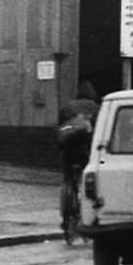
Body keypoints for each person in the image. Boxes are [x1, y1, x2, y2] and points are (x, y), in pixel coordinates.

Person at [55, 103, 94, 243]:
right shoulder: (87, 119)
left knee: (67, 180)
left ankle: (66, 211)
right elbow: (91, 141)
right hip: (82, 155)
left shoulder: (65, 114)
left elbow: (58, 140)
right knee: (85, 182)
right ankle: (82, 208)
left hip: (68, 156)